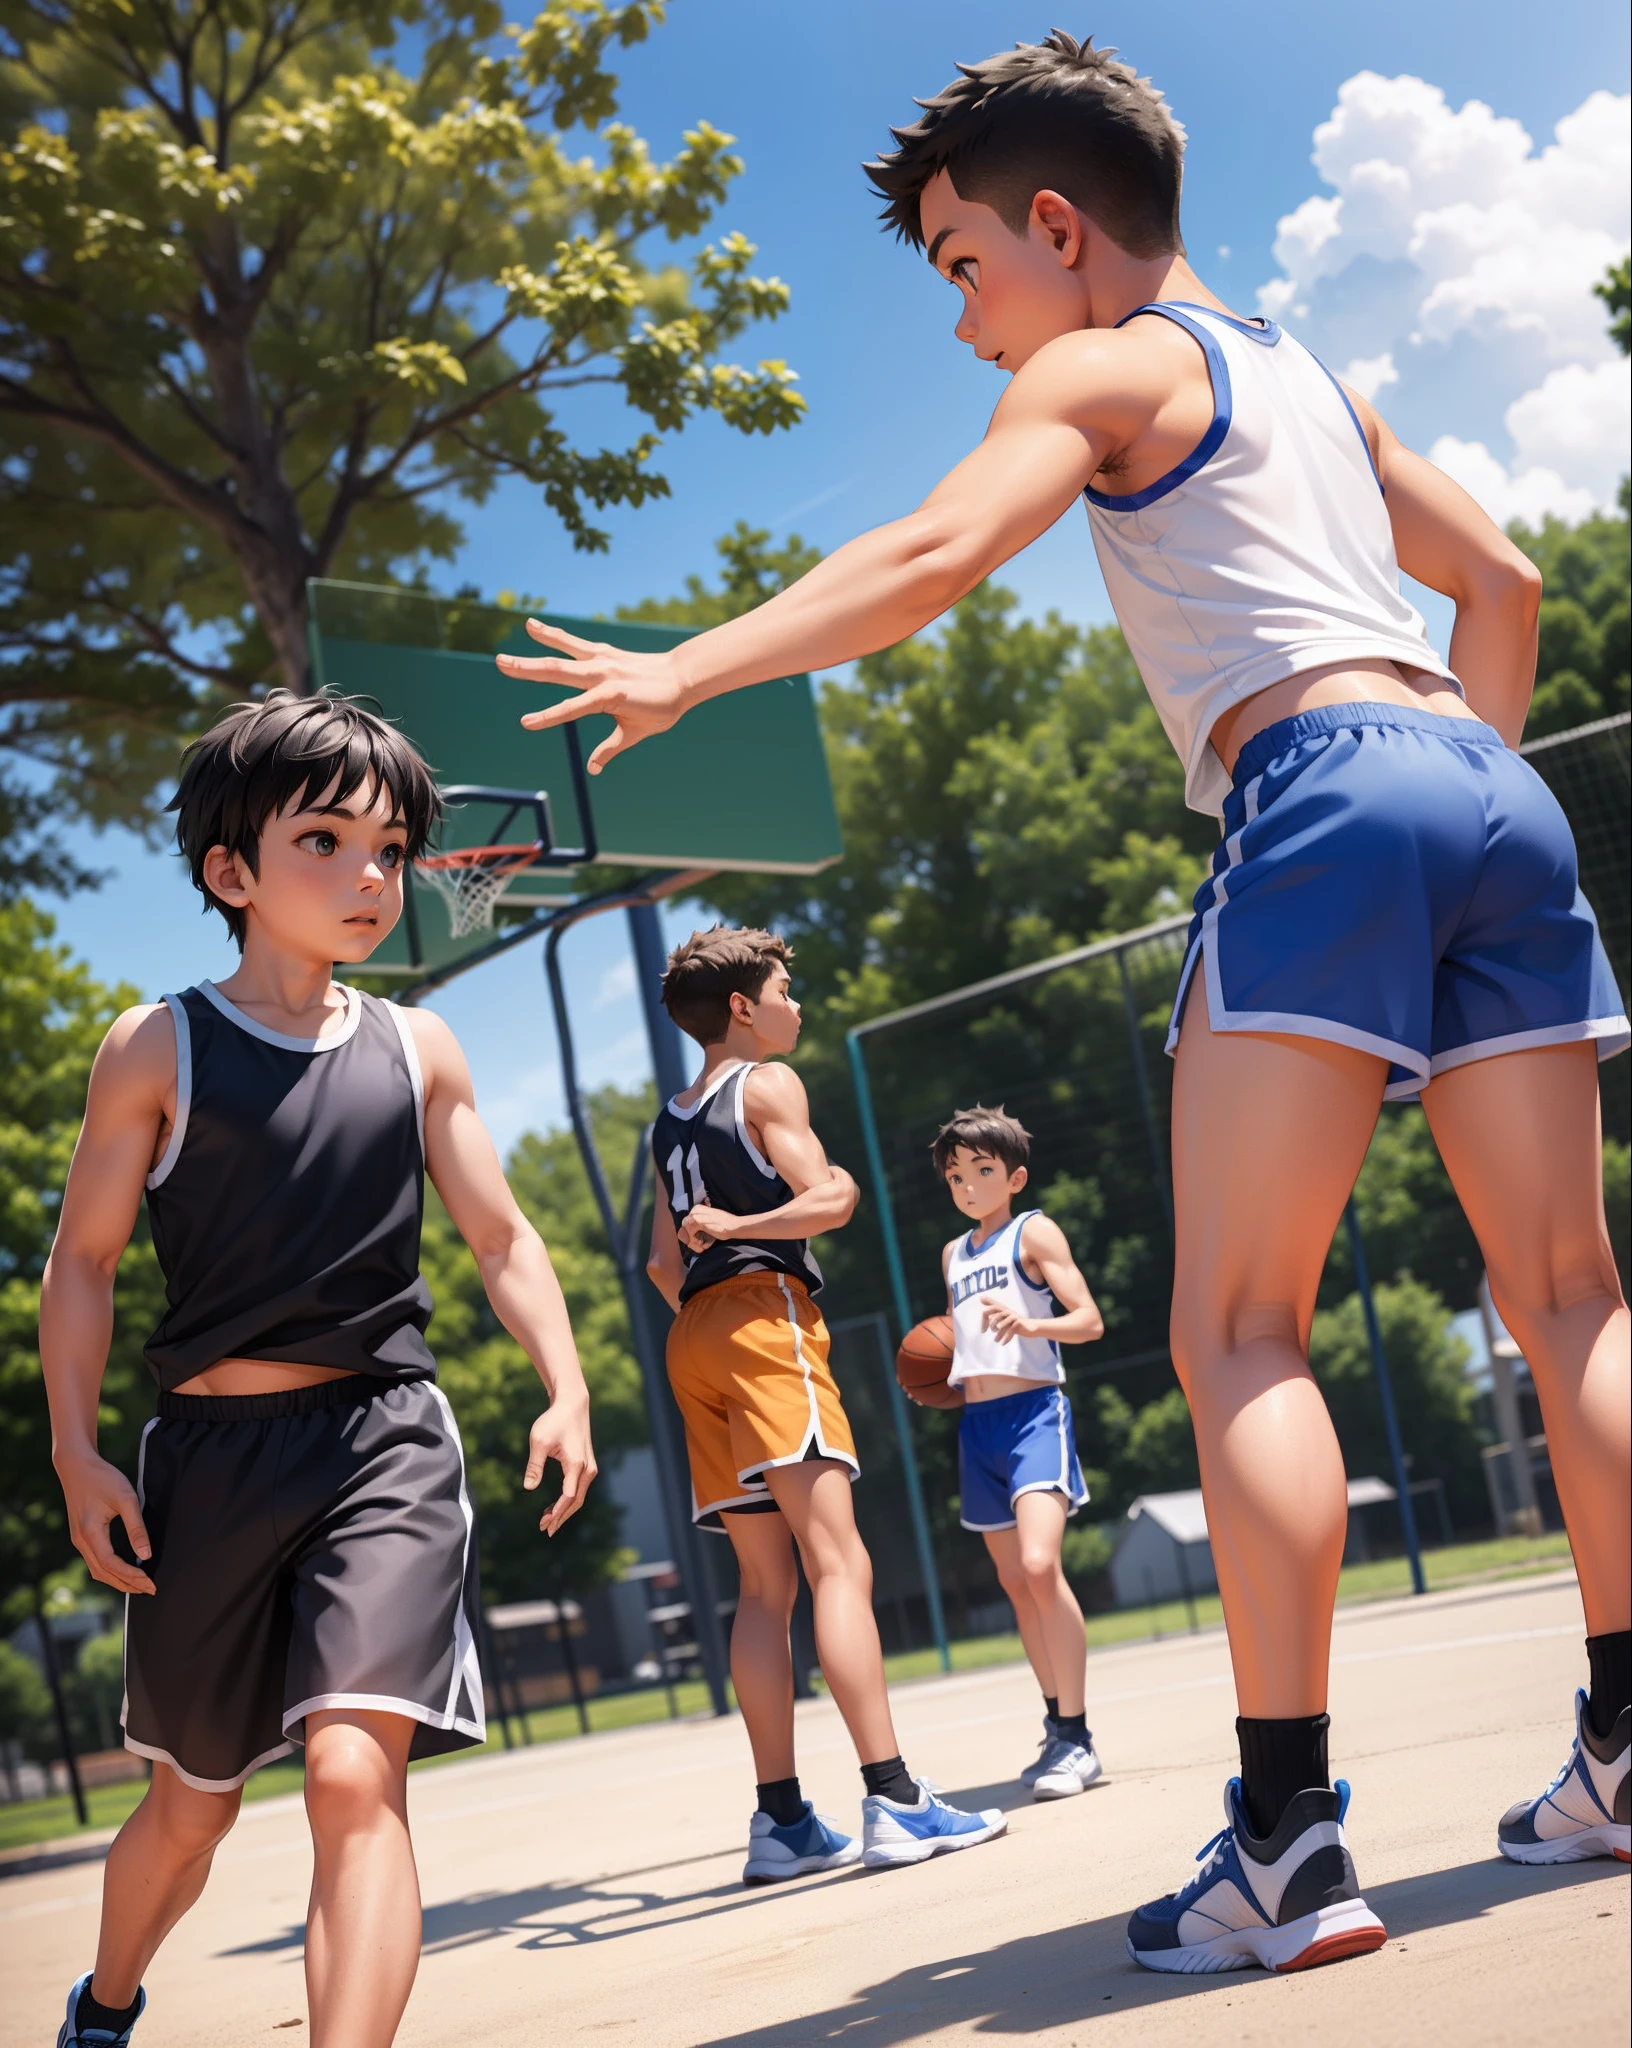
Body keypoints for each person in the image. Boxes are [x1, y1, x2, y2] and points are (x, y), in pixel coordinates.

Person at [498, 29, 1631, 1971]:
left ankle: (1285, 1836)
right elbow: (1508, 583)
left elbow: (939, 551)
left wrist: (691, 667)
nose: (964, 324)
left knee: (1245, 1330)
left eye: (961, 268)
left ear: (1056, 226)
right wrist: (1449, 827)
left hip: (1325, 793)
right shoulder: (1315, 384)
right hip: (1483, 788)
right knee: (1575, 1293)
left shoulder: (1115, 363)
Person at [40, 693, 596, 2048]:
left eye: (391, 851)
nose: (369, 876)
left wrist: (565, 1381)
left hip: (383, 1446)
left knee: (356, 1774)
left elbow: (501, 1232)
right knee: (192, 1808)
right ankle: (105, 2009)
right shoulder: (155, 1048)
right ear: (231, 872)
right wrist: (75, 1447)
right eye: (326, 841)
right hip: (210, 1466)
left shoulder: (418, 1048)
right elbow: (84, 1265)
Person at [646, 925, 1006, 1879]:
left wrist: (714, 1274)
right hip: (766, 1316)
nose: (794, 1005)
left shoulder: (667, 1120)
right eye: (783, 988)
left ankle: (782, 1822)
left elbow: (657, 1259)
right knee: (839, 1563)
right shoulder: (765, 1083)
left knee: (765, 1588)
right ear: (740, 1008)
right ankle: (893, 1799)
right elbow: (829, 1200)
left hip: (693, 1338)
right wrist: (752, 1230)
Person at [930, 1105, 1106, 1799]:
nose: (968, 1185)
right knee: (1014, 1584)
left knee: (1040, 1564)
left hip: (1035, 1413)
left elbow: (1088, 1319)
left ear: (1015, 1177)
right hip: (978, 1428)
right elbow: (959, 1340)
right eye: (955, 1176)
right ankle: (1058, 1730)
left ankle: (1082, 1737)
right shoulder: (953, 1254)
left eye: (981, 1171)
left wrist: (1032, 1322)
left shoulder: (1034, 1232)